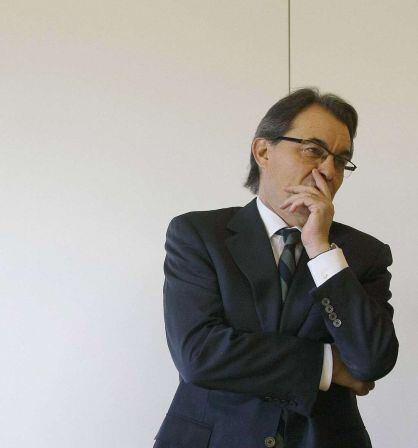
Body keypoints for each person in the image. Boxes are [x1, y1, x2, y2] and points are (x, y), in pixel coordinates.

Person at [154, 88, 398, 447]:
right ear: (263, 151)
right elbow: (198, 355)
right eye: (313, 150)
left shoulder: (363, 254)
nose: (328, 171)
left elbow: (371, 361)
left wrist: (320, 248)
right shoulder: (198, 236)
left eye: (341, 160)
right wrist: (327, 365)